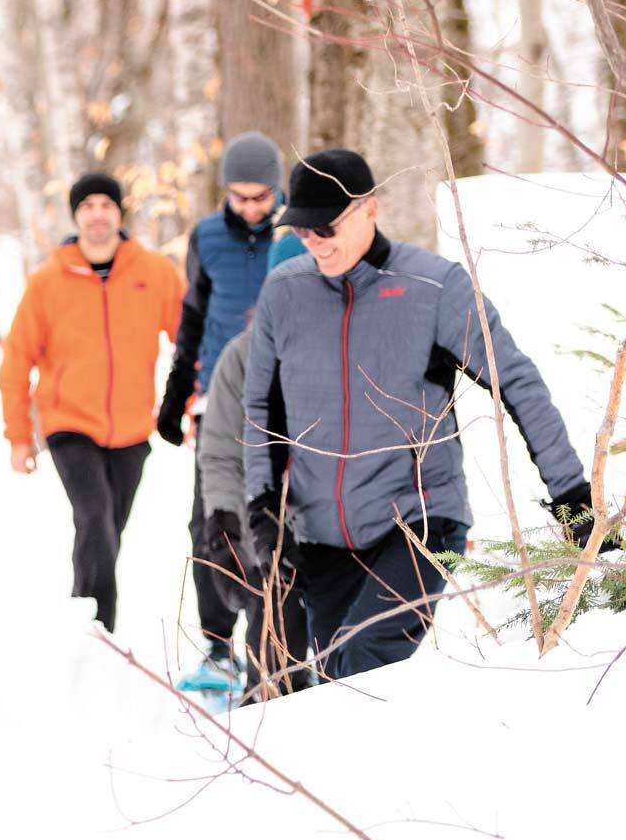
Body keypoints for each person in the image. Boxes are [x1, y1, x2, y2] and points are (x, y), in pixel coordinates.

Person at [244, 148, 595, 678]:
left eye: (326, 227)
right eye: (302, 230)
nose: (313, 242)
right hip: (318, 535)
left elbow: (515, 381)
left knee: (364, 664)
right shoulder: (283, 293)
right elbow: (260, 410)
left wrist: (571, 495)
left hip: (417, 521)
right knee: (337, 681)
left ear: (369, 208)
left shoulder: (434, 288)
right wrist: (263, 508)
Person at [0, 172, 186, 632]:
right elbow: (16, 361)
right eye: (87, 206)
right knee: (96, 516)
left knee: (105, 532)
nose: (97, 213)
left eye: (106, 204)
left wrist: (187, 403)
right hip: (68, 425)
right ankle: (98, 629)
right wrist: (20, 437)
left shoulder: (155, 272)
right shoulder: (47, 282)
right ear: (76, 215)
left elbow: (189, 340)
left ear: (119, 213)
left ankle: (80, 622)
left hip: (132, 428)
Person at [156, 133, 284, 684]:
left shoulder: (297, 234)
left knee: (275, 516)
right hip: (217, 399)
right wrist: (176, 390)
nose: (252, 208)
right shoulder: (206, 237)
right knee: (210, 517)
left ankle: (278, 639)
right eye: (241, 197)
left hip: (284, 397)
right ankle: (216, 645)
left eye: (262, 197)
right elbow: (193, 317)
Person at [194, 318, 312, 702]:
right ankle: (266, 700)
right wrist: (222, 520)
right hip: (268, 521)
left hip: (341, 522)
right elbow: (220, 454)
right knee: (274, 605)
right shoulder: (242, 356)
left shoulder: (351, 342)